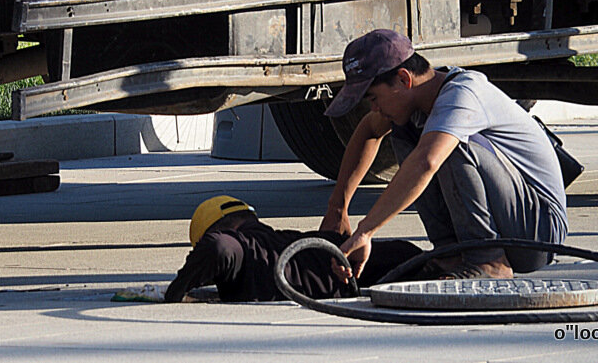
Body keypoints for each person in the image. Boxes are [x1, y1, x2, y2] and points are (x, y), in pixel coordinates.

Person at [320, 29, 568, 284]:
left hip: (539, 233)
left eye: (373, 98)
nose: (374, 108)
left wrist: (366, 231)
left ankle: (488, 260)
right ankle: (450, 255)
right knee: (407, 131)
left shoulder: (463, 94)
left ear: (404, 79)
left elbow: (427, 161)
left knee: (446, 144)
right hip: (510, 224)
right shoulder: (419, 99)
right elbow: (369, 130)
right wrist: (338, 207)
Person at [165, 195, 423, 303]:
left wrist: (176, 291)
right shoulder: (304, 239)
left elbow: (219, 247)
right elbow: (402, 252)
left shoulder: (240, 246)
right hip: (410, 267)